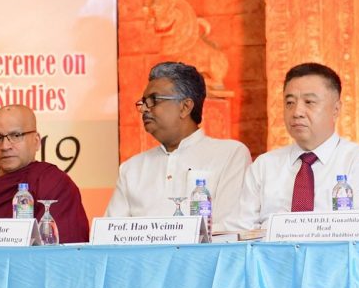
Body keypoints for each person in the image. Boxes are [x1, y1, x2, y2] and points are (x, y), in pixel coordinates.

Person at [226, 63, 359, 231]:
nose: (297, 112)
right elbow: (240, 230)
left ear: (336, 109)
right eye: (290, 103)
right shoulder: (264, 166)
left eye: (309, 102)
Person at [105, 62, 251, 232]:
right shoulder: (132, 169)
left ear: (185, 107)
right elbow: (110, 233)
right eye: (143, 102)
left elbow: (232, 227)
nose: (144, 109)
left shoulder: (230, 155)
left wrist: (168, 235)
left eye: (153, 100)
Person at [0, 104, 90, 242]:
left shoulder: (54, 182)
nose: (5, 146)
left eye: (16, 135)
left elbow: (64, 248)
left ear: (36, 141)